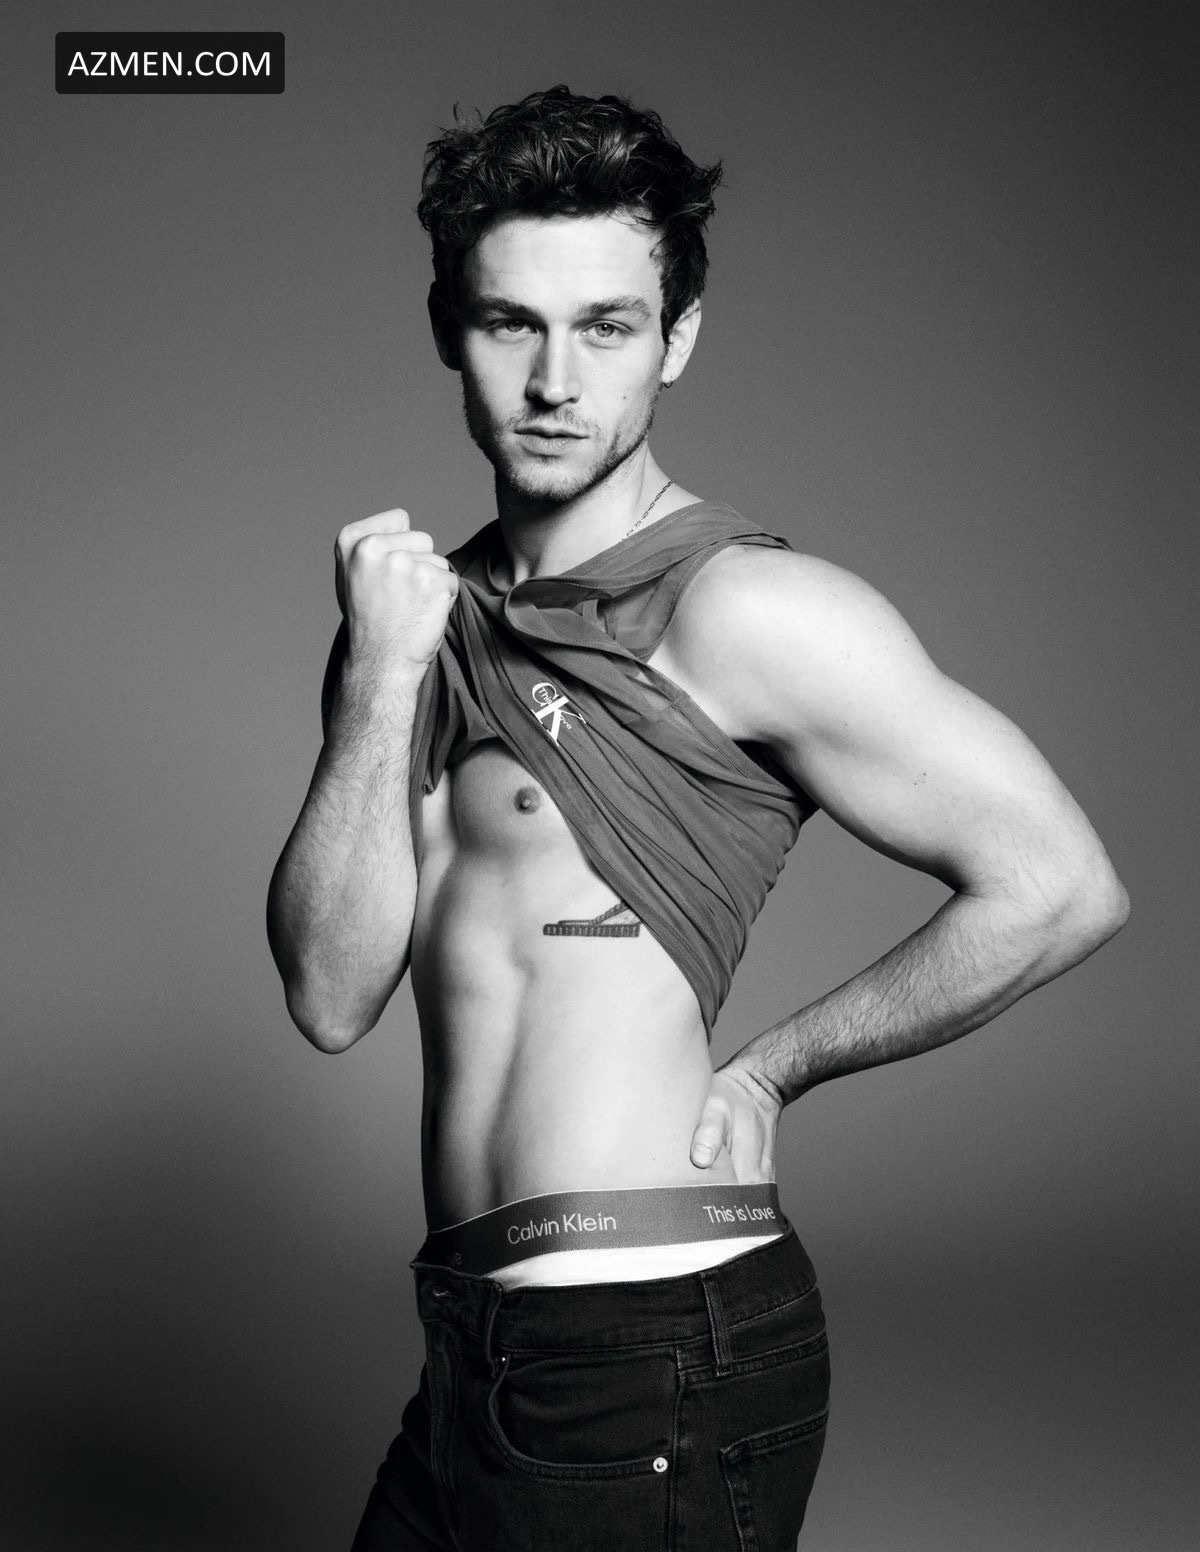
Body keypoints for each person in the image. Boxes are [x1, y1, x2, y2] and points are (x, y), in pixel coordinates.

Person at [266, 86, 1129, 1551]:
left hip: (652, 1351)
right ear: (447, 328)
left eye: (606, 327)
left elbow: (1060, 885)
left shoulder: (749, 611)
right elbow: (330, 995)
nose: (554, 380)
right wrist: (380, 679)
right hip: (474, 1354)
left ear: (676, 340)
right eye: (511, 323)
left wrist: (778, 1070)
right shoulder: (414, 625)